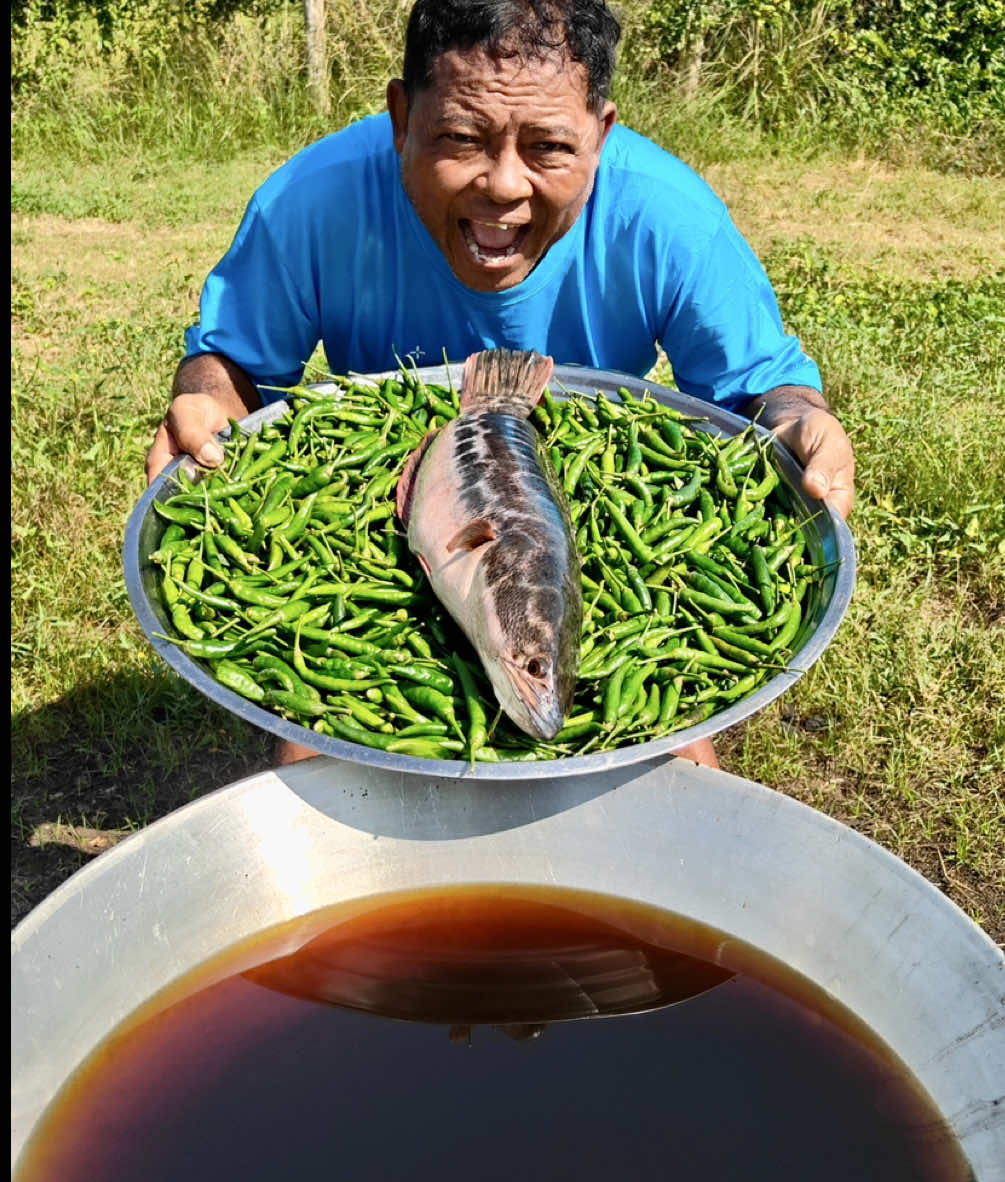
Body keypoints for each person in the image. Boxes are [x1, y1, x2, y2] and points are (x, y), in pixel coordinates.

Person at [146, 0, 855, 769]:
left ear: (601, 135)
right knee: (320, 761)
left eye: (549, 146)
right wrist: (208, 402)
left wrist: (795, 423)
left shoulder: (668, 217)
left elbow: (762, 392)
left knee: (676, 780)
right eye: (460, 137)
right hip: (383, 524)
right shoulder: (310, 201)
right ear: (399, 117)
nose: (503, 187)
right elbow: (234, 366)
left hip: (565, 516)